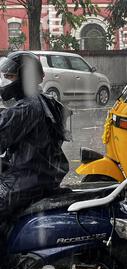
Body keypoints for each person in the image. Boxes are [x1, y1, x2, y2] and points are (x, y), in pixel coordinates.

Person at [0, 52, 70, 252]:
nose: (6, 81)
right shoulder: (42, 100)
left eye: (11, 76)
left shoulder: (26, 108)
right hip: (40, 174)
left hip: (26, 179)